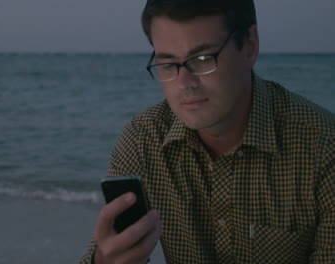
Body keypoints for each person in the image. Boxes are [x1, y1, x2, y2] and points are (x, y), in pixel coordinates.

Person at [79, 0, 335, 263]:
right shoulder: (142, 138)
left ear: (250, 46)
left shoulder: (324, 147)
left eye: (202, 59)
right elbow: (111, 249)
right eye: (168, 64)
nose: (184, 84)